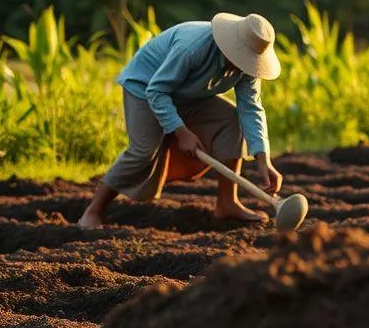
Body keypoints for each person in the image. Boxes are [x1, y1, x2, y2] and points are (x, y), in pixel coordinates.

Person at [78, 12, 284, 229]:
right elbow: (156, 90)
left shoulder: (247, 67)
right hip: (145, 86)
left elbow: (251, 108)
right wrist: (181, 131)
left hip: (188, 94)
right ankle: (93, 211)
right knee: (143, 151)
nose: (245, 64)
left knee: (231, 121)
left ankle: (227, 202)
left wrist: (263, 158)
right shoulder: (193, 47)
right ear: (231, 46)